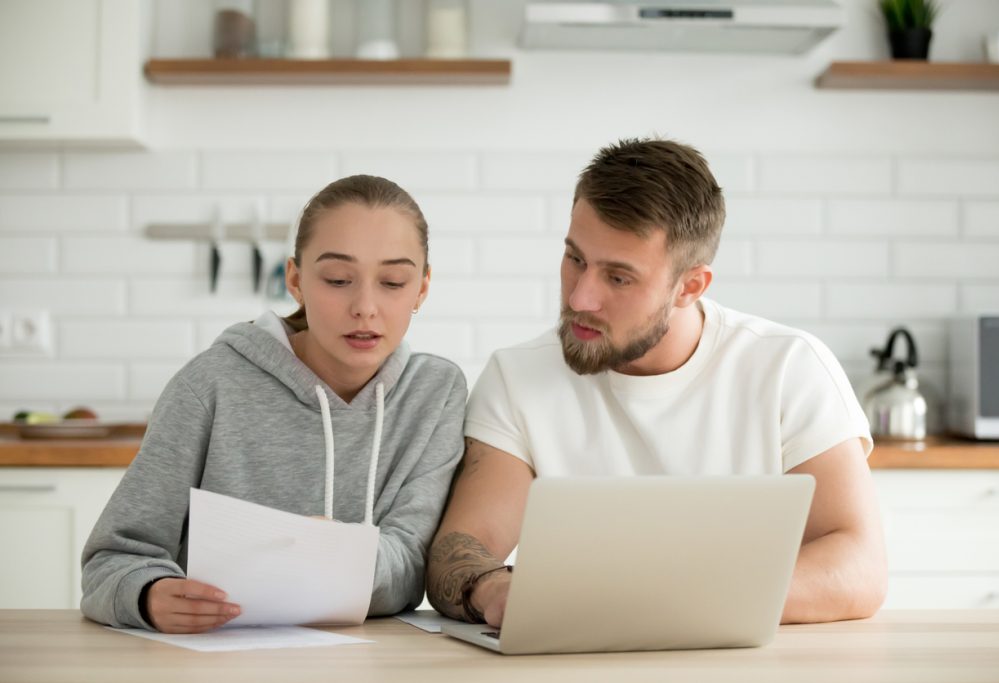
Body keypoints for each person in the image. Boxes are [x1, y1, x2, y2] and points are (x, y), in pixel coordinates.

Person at [426, 138, 887, 627]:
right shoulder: (518, 378)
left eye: (618, 278)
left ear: (690, 287)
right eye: (575, 259)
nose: (581, 297)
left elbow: (859, 567)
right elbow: (461, 549)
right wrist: (492, 588)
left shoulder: (788, 367)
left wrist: (658, 603)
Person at [81, 175, 466, 634]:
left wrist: (331, 552)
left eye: (392, 281)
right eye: (339, 279)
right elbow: (110, 561)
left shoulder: (436, 392)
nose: (365, 306)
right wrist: (147, 596)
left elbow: (411, 567)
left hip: (371, 663)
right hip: (214, 659)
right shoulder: (210, 385)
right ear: (296, 280)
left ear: (421, 290)